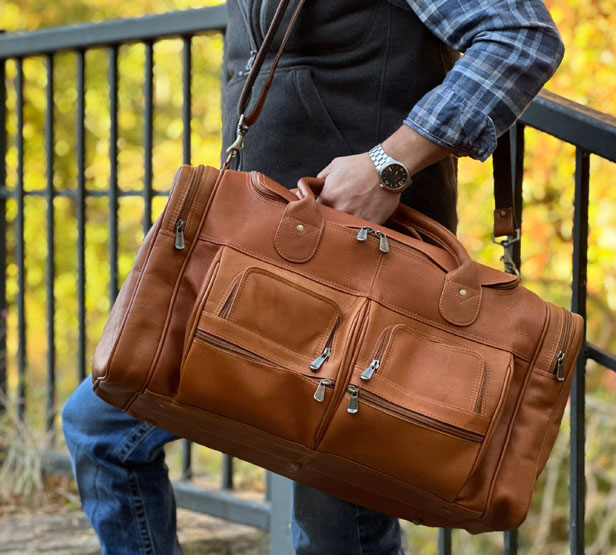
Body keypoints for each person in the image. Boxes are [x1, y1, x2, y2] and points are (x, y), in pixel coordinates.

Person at [62, 0, 564, 553]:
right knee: (103, 428)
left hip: (362, 283)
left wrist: (386, 163)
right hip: (255, 256)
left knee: (336, 532)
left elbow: (520, 37)